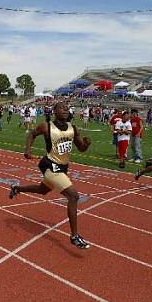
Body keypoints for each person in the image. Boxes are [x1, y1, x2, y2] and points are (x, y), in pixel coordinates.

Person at [8, 102, 92, 249]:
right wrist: (27, 149)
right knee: (73, 196)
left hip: (63, 167)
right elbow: (31, 134)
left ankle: (17, 188)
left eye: (67, 108)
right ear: (54, 111)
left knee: (43, 190)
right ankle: (74, 236)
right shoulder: (46, 126)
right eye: (62, 107)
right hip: (50, 166)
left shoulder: (73, 129)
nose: (66, 109)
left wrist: (86, 144)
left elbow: (82, 149)